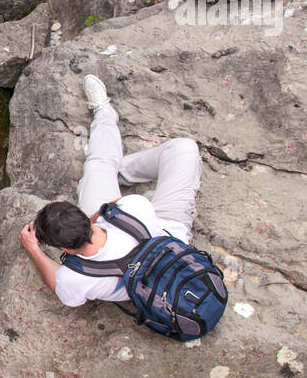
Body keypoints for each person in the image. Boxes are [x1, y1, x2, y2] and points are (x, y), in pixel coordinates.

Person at [19, 75, 202, 307]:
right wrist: (99, 214)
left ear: (64, 249)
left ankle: (111, 151)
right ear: (87, 220)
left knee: (100, 163)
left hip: (158, 239)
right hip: (168, 232)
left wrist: (33, 248)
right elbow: (112, 207)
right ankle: (111, 143)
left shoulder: (74, 278)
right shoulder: (134, 207)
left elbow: (57, 285)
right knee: (183, 148)